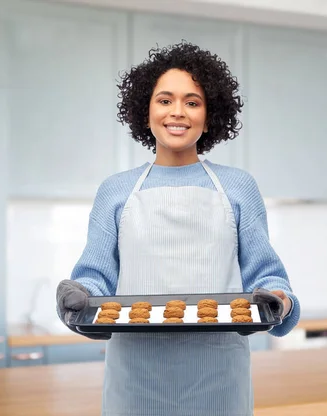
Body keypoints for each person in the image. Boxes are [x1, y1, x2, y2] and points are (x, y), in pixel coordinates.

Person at [56, 41, 300, 416]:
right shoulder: (116, 190)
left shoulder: (238, 187)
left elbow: (270, 278)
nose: (177, 113)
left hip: (218, 375)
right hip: (136, 378)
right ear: (145, 109)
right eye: (165, 100)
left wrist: (277, 304)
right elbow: (95, 278)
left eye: (192, 102)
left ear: (209, 114)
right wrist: (78, 296)